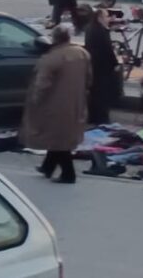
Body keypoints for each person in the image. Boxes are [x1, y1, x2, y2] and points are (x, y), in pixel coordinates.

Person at [21, 26, 91, 184]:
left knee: (58, 138)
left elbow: (42, 85)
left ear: (55, 38)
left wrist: (35, 101)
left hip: (54, 104)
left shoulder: (51, 58)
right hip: (76, 102)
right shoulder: (82, 54)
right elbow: (89, 79)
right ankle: (48, 167)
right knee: (61, 136)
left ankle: (68, 174)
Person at [85, 8, 119, 125]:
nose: (108, 19)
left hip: (94, 65)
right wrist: (115, 64)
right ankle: (102, 118)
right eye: (106, 16)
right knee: (102, 94)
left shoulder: (91, 28)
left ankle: (93, 117)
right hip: (102, 67)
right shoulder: (100, 31)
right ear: (99, 18)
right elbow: (108, 50)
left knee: (95, 93)